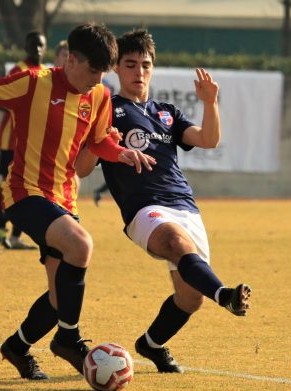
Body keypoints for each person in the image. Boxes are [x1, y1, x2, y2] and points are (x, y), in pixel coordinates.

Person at [0, 23, 156, 380]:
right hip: (25, 193)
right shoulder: (34, 82)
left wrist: (120, 153)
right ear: (71, 60)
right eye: (92, 70)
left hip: (64, 198)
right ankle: (69, 340)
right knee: (81, 245)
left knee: (60, 298)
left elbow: (100, 140)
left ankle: (17, 347)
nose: (97, 79)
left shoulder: (100, 96)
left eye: (103, 73)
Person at [76, 29, 251, 373]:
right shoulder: (106, 108)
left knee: (190, 298)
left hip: (185, 205)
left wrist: (209, 103)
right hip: (144, 208)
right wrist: (102, 144)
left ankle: (151, 344)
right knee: (173, 242)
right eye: (130, 64)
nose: (139, 72)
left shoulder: (166, 112)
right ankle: (226, 296)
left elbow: (208, 140)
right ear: (116, 69)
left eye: (145, 65)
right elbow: (82, 169)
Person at [0, 31, 47, 253]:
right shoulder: (19, 71)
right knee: (8, 187)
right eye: (33, 46)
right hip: (11, 140)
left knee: (19, 187)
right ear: (26, 48)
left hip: (30, 141)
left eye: (41, 46)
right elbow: (0, 99)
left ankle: (1, 227)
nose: (38, 50)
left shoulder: (43, 72)